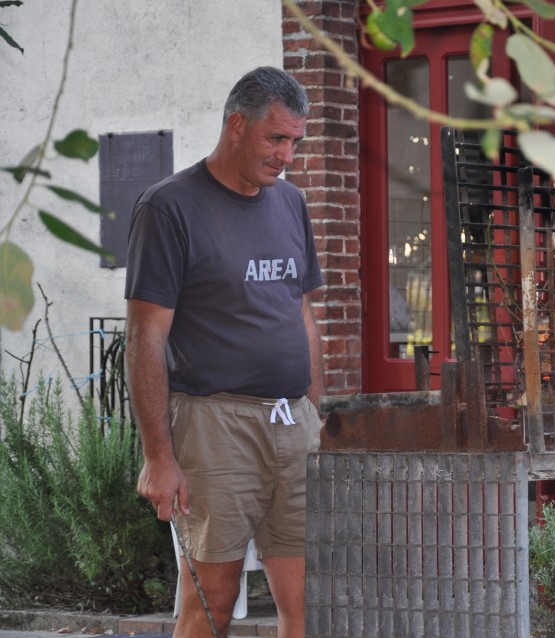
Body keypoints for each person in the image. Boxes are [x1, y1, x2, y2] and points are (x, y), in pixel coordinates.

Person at [124, 66, 324, 638]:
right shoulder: (169, 207)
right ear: (236, 126)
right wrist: (159, 457)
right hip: (214, 425)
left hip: (293, 423)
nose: (287, 154)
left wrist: (316, 412)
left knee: (309, 598)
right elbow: (146, 337)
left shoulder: (291, 204)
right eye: (276, 138)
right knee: (212, 597)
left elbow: (302, 313)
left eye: (295, 142)